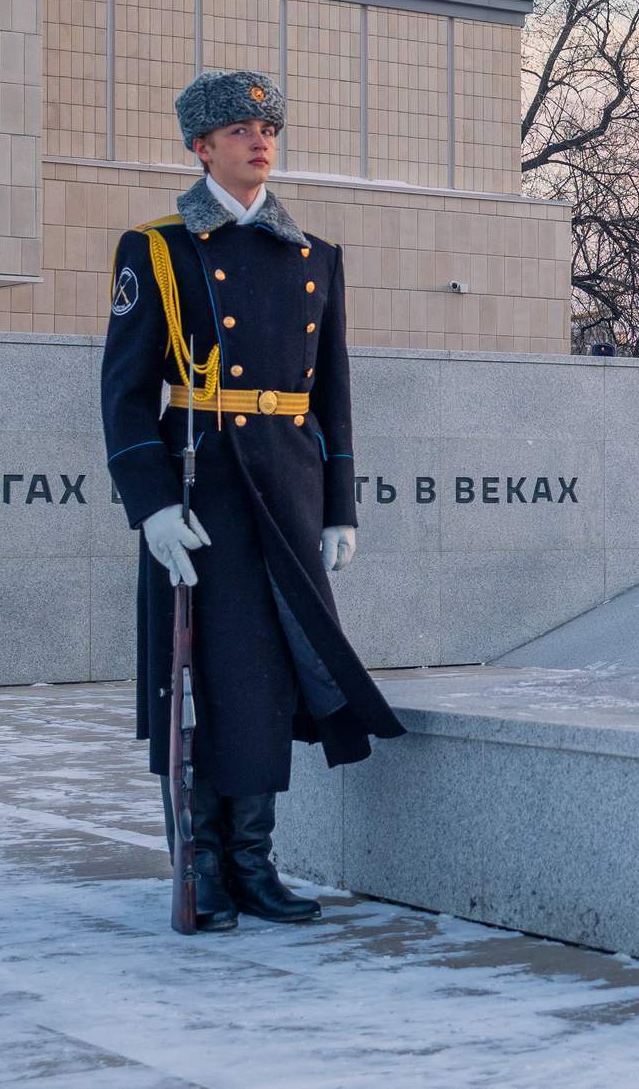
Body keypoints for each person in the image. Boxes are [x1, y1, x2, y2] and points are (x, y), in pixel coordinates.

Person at [101, 69, 405, 932]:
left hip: (289, 481)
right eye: (237, 129)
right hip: (205, 481)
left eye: (267, 126)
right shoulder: (159, 248)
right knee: (206, 674)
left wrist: (340, 502)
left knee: (274, 672)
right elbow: (124, 391)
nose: (258, 139)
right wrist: (151, 504)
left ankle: (252, 859)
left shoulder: (314, 256)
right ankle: (201, 859)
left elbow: (332, 392)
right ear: (201, 147)